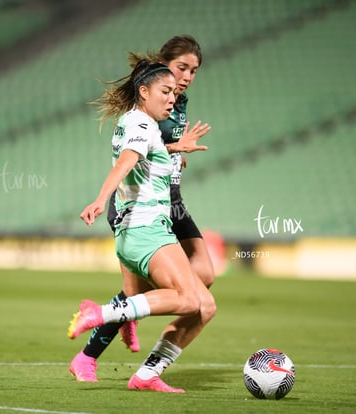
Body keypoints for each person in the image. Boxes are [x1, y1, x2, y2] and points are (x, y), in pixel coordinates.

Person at [69, 35, 216, 388]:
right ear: (158, 75)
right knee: (179, 297)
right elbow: (129, 157)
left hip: (166, 204)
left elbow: (146, 148)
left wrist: (174, 151)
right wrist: (101, 198)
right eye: (180, 69)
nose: (185, 79)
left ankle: (146, 365)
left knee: (202, 295)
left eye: (193, 71)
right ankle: (96, 344)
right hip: (141, 213)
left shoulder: (172, 105)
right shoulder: (144, 115)